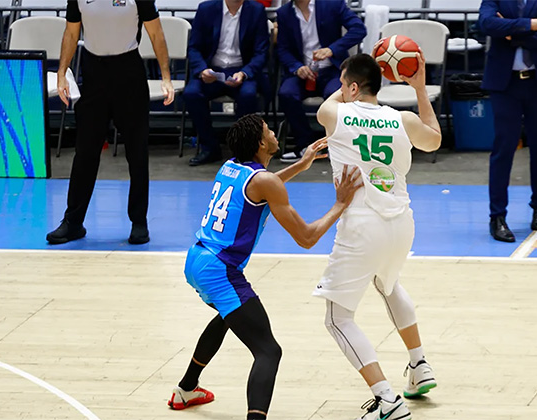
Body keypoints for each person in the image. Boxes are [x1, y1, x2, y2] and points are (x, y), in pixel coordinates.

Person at [168, 114, 361, 420]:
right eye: (268, 131)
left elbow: (262, 186)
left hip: (197, 259)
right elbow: (307, 237)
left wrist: (301, 164)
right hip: (220, 270)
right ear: (261, 143)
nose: (273, 133)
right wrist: (340, 204)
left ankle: (186, 388)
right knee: (269, 350)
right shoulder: (264, 181)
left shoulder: (230, 166)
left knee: (228, 316)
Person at [314, 53, 441, 420]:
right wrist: (418, 88)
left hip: (361, 224)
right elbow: (433, 141)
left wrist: (347, 88)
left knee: (337, 318)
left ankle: (387, 399)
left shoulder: (334, 114)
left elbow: (331, 102)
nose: (339, 89)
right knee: (389, 284)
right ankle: (419, 365)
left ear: (353, 87)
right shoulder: (402, 119)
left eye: (343, 83)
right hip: (402, 222)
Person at [46, 0, 175, 245]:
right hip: (94, 72)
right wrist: (62, 72)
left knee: (137, 152)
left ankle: (139, 222)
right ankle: (73, 221)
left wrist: (166, 77)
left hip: (128, 72)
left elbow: (156, 32)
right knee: (85, 151)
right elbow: (71, 32)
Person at [478, 0, 537, 242]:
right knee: (503, 148)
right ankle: (497, 216)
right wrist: (531, 25)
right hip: (505, 85)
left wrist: (511, 33)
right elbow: (486, 23)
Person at [276, 0, 366, 163]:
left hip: (331, 70)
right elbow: (282, 49)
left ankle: (337, 145)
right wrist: (297, 67)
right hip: (302, 72)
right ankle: (305, 145)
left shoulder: (332, 4)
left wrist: (332, 49)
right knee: (286, 94)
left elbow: (359, 29)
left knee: (336, 95)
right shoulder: (284, 13)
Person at [184, 0, 270, 166]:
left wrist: (245, 73)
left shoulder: (256, 10)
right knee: (192, 94)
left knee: (248, 95)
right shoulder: (206, 9)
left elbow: (261, 52)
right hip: (212, 70)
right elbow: (194, 48)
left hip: (241, 69)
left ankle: (242, 151)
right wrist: (202, 70)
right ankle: (209, 148)